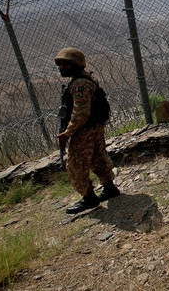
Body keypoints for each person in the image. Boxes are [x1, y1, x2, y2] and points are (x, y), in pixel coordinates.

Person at [55, 47, 120, 214]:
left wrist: (67, 133)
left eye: (66, 65)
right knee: (98, 158)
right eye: (60, 65)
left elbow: (81, 113)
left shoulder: (80, 84)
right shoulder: (85, 79)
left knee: (75, 165)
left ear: (76, 65)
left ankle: (89, 198)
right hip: (94, 127)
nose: (62, 68)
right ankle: (109, 187)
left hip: (84, 130)